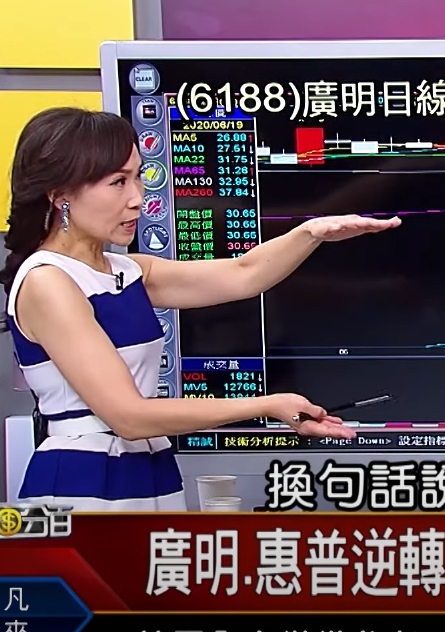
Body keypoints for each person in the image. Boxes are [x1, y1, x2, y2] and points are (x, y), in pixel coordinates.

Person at [1, 107, 400, 511]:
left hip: (148, 467)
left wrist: (311, 234)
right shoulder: (48, 281)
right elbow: (128, 416)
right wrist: (267, 404)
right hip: (84, 480)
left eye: (138, 176)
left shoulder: (127, 271)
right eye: (118, 182)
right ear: (60, 195)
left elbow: (244, 274)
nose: (138, 198)